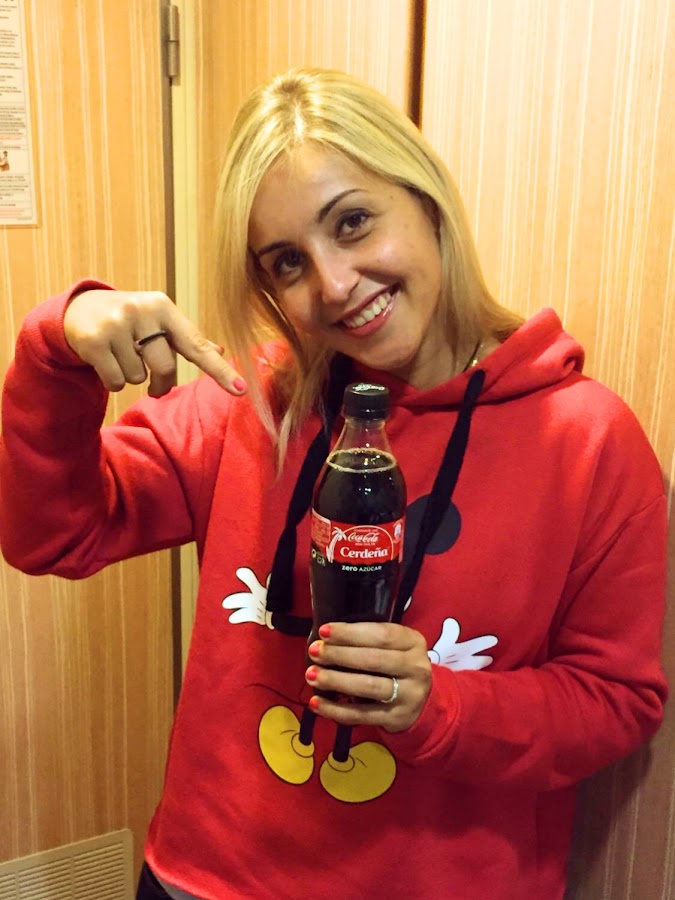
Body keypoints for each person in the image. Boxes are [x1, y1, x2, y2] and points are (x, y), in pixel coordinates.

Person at [0, 67, 667, 900]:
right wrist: (55, 351)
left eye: (352, 222)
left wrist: (441, 707)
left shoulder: (586, 440)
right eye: (287, 262)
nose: (334, 284)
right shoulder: (252, 405)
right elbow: (53, 536)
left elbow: (615, 702)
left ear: (425, 200)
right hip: (206, 879)